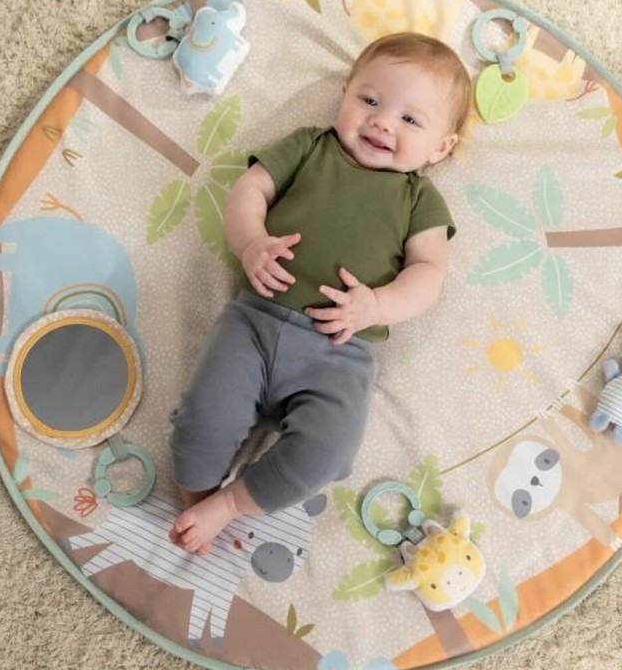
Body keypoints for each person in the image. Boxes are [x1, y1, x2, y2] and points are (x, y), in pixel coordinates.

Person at [168, 32, 471, 554]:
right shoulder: (309, 147)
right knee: (203, 421)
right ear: (344, 93)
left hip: (339, 352)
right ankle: (196, 494)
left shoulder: (419, 199)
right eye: (369, 100)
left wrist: (377, 305)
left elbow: (429, 274)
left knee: (328, 451)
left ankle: (231, 504)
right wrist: (251, 243)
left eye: (410, 119)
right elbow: (249, 192)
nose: (382, 122)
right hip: (253, 324)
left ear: (441, 147)